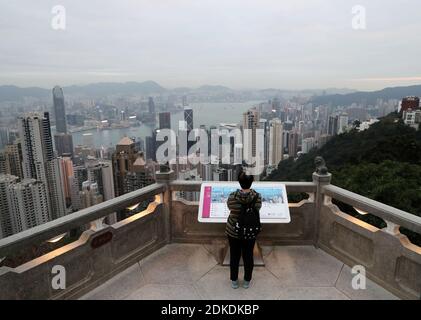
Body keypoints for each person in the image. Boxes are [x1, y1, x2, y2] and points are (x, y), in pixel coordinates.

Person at [225, 172, 262, 289]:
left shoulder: (232, 196)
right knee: (248, 256)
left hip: (234, 230)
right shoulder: (257, 197)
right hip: (250, 231)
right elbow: (257, 208)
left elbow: (230, 207)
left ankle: (234, 281)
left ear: (239, 183)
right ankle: (247, 281)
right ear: (251, 183)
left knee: (234, 256)